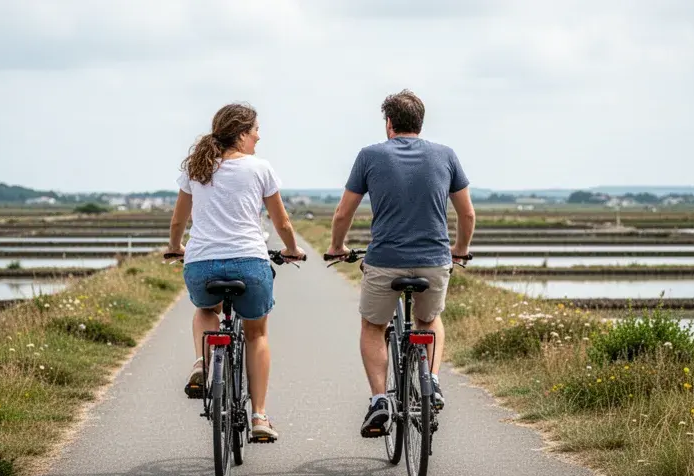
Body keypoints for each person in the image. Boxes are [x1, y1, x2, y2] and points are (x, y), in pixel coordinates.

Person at [326, 89, 476, 437]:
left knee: (373, 327)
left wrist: (337, 247)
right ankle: (433, 381)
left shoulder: (369, 156)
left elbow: (343, 213)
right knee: (429, 319)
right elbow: (466, 213)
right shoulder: (446, 155)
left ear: (389, 123)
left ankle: (379, 399)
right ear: (420, 123)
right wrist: (459, 250)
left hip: (385, 261)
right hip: (434, 260)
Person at [165, 102, 305, 442]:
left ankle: (201, 361)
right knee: (256, 334)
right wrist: (292, 249)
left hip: (201, 264)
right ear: (242, 134)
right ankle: (259, 416)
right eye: (256, 130)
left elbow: (178, 221)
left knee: (205, 308)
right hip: (249, 262)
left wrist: (175, 247)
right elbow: (281, 221)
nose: (259, 136)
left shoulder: (197, 168)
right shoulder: (260, 168)